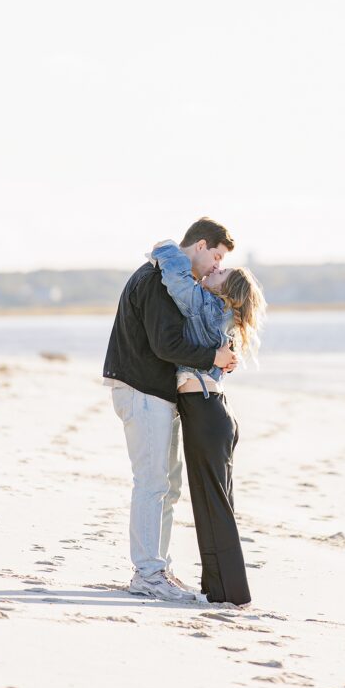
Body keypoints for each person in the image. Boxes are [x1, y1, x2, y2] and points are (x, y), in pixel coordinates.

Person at [102, 217, 237, 602]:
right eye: (217, 255)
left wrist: (221, 357)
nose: (216, 265)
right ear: (200, 246)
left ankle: (157, 567)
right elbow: (166, 345)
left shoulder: (173, 280)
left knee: (168, 486)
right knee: (152, 482)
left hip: (156, 392)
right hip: (141, 389)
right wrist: (213, 355)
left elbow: (179, 340)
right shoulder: (159, 278)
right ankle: (147, 573)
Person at [150, 239, 266, 606]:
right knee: (212, 503)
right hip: (211, 411)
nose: (215, 269)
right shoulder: (221, 316)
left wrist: (167, 249)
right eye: (218, 264)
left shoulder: (208, 306)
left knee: (212, 506)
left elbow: (178, 282)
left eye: (222, 271)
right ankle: (218, 591)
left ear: (227, 291)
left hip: (206, 412)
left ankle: (231, 594)